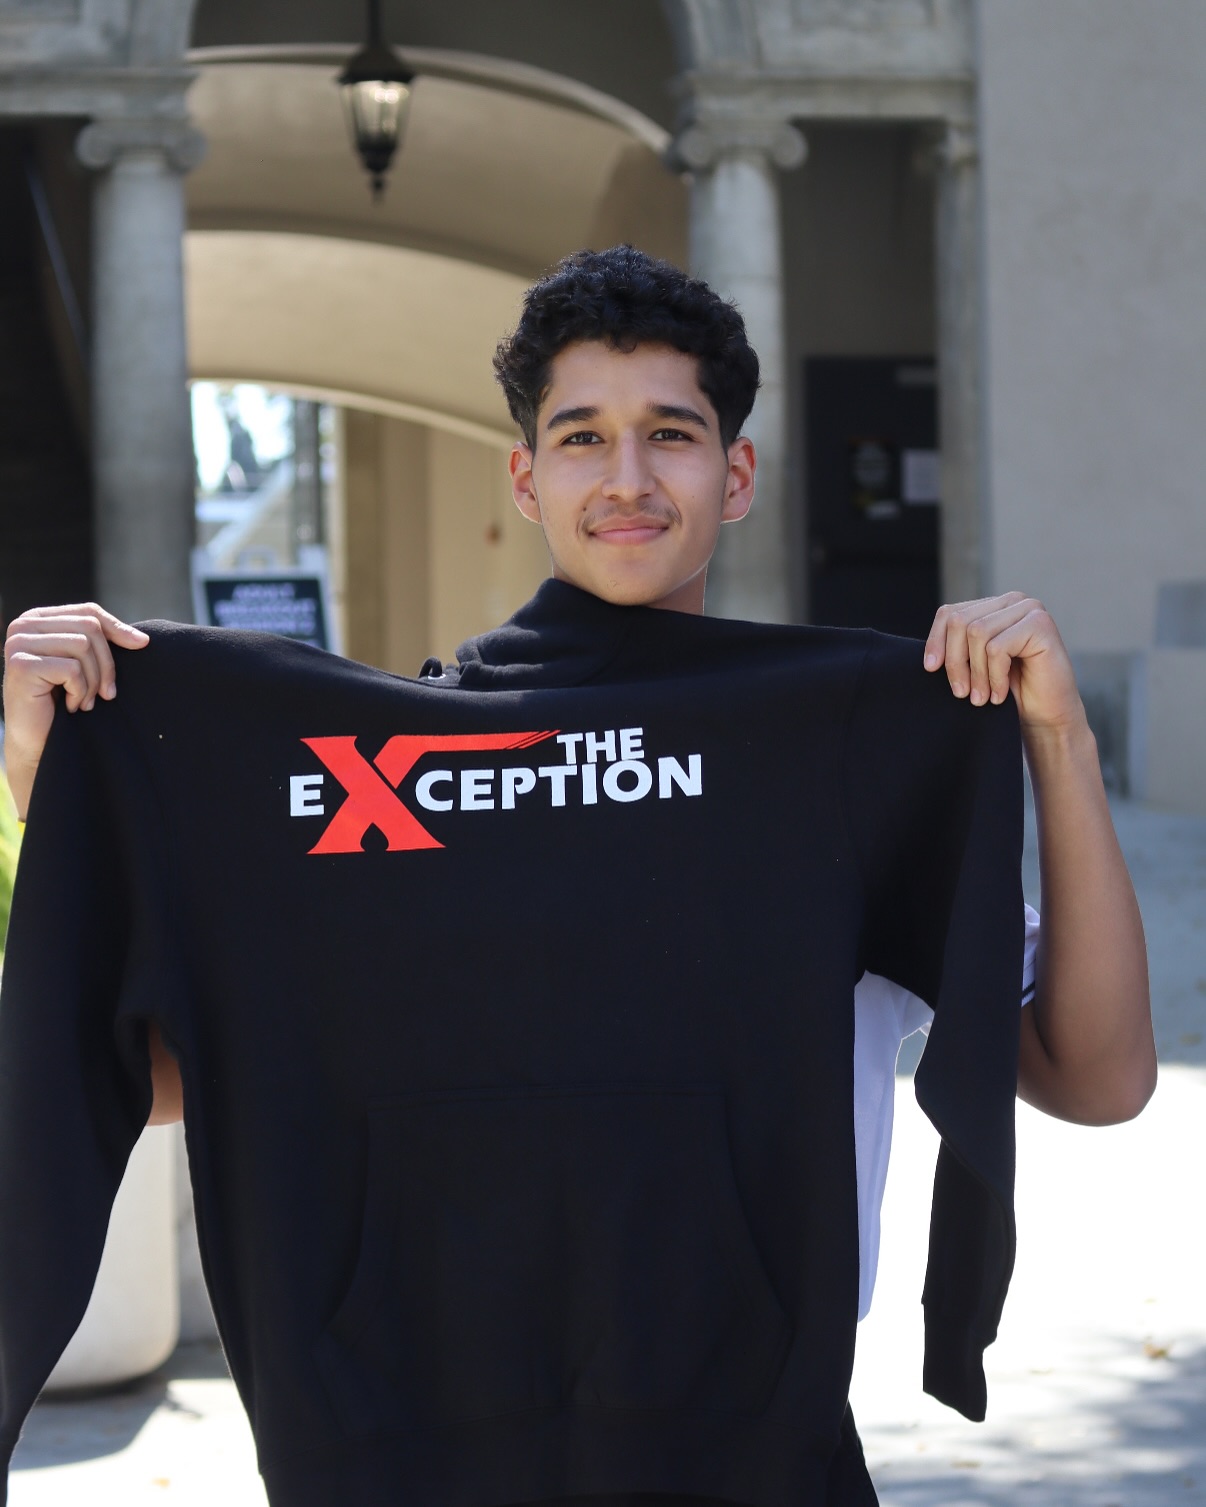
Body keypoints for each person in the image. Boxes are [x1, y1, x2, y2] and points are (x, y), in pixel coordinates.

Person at [0, 247, 1154, 1504]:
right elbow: (180, 1080)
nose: (627, 478)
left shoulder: (830, 758)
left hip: (751, 1458)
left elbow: (1096, 1075)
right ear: (527, 476)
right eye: (582, 436)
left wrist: (1060, 740)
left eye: (671, 433)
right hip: (396, 1455)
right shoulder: (372, 774)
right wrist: (52, 773)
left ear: (737, 472)